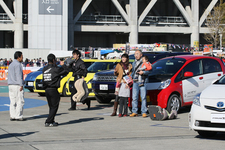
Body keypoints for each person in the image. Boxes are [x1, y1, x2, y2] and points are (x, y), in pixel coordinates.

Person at [42, 54, 68, 127]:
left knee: (51, 106)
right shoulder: (56, 69)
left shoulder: (44, 69)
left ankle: (51, 121)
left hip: (47, 89)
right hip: (53, 89)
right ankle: (48, 121)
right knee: (54, 106)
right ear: (54, 60)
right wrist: (63, 65)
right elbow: (66, 71)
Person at [130, 50, 151, 118]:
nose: (136, 55)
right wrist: (130, 77)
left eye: (137, 54)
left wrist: (143, 73)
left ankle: (144, 112)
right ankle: (134, 111)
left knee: (143, 97)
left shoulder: (145, 62)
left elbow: (150, 71)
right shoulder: (133, 63)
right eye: (135, 54)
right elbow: (133, 72)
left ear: (141, 55)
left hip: (143, 81)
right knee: (134, 97)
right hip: (135, 82)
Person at [8, 51, 25, 121]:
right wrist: (21, 85)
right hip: (17, 85)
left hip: (10, 84)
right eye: (22, 57)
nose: (22, 58)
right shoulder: (18, 65)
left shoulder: (11, 64)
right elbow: (18, 75)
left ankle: (12, 115)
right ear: (19, 57)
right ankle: (18, 115)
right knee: (20, 101)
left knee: (12, 101)